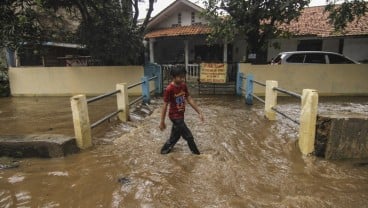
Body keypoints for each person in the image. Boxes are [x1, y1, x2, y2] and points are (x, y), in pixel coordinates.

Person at [159, 66, 204, 155]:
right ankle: (197, 155)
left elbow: (189, 98)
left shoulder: (183, 85)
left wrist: (199, 112)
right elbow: (165, 105)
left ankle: (163, 152)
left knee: (175, 137)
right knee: (189, 136)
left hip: (181, 115)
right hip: (175, 116)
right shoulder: (169, 89)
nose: (182, 79)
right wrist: (162, 121)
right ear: (174, 77)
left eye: (183, 76)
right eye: (180, 77)